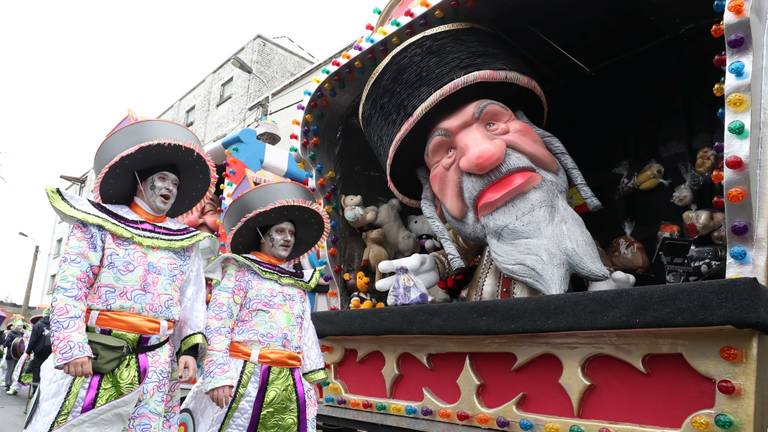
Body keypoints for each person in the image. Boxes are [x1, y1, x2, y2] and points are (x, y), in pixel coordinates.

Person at [297, 15, 636, 301]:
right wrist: (437, 265)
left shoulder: (570, 228)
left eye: (493, 123)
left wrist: (607, 281)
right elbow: (462, 248)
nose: (482, 156)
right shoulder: (468, 228)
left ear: (543, 140)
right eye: (446, 153)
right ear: (437, 200)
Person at [25, 117, 216, 432]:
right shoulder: (98, 223)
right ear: (141, 179)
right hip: (98, 353)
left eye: (175, 183)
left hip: (156, 362)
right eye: (163, 179)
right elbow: (71, 288)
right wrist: (72, 346)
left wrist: (190, 351)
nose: (170, 187)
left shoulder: (185, 242)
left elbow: (192, 300)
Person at [180, 180, 329, 432]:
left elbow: (306, 332)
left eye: (291, 233)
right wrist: (218, 376)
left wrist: (312, 376)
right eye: (280, 231)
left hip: (290, 384)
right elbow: (218, 323)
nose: (287, 239)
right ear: (262, 235)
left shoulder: (296, 282)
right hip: (245, 377)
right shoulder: (240, 271)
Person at [24, 310, 52, 386]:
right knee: (47, 372)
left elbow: (32, 340)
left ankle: (35, 390)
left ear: (43, 315)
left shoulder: (38, 325)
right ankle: (42, 390)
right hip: (50, 353)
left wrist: (28, 352)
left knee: (36, 371)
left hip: (38, 352)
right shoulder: (55, 326)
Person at [3, 321, 24, 394]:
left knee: (15, 370)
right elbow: (6, 343)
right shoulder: (11, 333)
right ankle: (7, 384)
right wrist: (15, 344)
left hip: (18, 355)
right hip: (11, 355)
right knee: (10, 370)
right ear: (15, 326)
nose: (20, 327)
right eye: (19, 326)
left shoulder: (22, 334)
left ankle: (12, 384)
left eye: (21, 326)